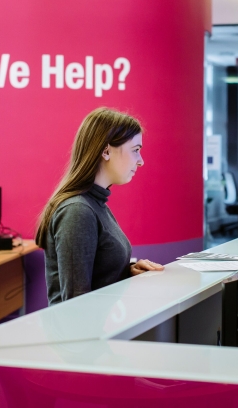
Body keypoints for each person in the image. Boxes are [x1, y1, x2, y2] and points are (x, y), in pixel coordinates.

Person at [36, 107, 164, 305]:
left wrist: (127, 271)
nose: (141, 161)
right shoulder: (77, 211)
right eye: (135, 150)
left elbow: (95, 278)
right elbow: (76, 305)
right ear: (106, 151)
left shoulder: (94, 203)